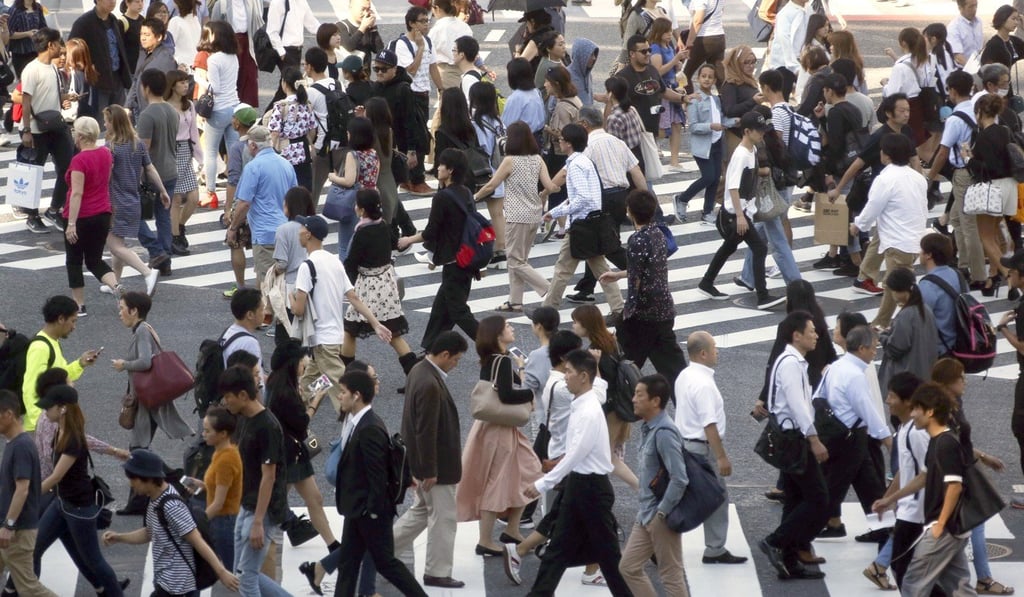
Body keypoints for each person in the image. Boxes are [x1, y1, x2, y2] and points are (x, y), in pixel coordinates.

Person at [523, 349, 632, 595]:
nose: (565, 376)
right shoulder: (585, 401)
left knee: (608, 556)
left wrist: (543, 484)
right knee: (557, 549)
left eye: (569, 372)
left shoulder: (588, 411)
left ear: (583, 377)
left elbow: (575, 454)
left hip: (592, 489)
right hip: (581, 485)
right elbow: (600, 386)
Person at [327, 371, 429, 597]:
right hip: (358, 508)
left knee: (386, 563)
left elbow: (378, 476)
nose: (339, 396)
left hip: (369, 511)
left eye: (343, 392)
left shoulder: (369, 428)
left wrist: (371, 512)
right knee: (348, 563)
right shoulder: (360, 422)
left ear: (356, 395)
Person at [387, 331, 469, 589]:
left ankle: (380, 552)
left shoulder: (418, 370)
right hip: (437, 467)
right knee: (443, 518)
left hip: (422, 462)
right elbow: (426, 431)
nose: (456, 364)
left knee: (421, 512)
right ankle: (437, 571)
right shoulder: (430, 384)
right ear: (444, 354)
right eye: (456, 359)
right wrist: (429, 470)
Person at [456, 317, 543, 555]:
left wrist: (521, 367)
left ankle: (512, 529)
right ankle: (485, 540)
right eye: (507, 326)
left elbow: (512, 384)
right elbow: (507, 395)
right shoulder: (501, 361)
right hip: (499, 430)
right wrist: (531, 394)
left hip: (496, 427)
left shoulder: (495, 359)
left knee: (528, 472)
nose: (512, 328)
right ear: (497, 335)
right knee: (498, 481)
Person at [101, 449, 240, 595]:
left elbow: (197, 540)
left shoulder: (171, 506)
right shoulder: (154, 498)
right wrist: (119, 537)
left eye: (133, 479)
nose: (131, 484)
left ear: (148, 479)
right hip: (166, 582)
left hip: (177, 586)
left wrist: (221, 572)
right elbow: (150, 532)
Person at [291, 214, 392, 409]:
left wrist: (289, 298)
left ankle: (355, 420)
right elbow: (353, 297)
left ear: (309, 234)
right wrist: (375, 324)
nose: (298, 232)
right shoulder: (335, 261)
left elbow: (299, 310)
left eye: (301, 228)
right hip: (335, 338)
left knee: (343, 391)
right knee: (310, 385)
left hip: (322, 340)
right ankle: (291, 414)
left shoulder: (306, 266)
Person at [930, 359, 1013, 595]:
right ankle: (983, 578)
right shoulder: (942, 409)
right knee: (971, 522)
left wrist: (982, 457)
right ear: (947, 382)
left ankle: (883, 564)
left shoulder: (953, 403)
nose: (965, 382)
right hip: (953, 473)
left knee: (966, 523)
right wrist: (982, 458)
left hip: (957, 470)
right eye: (961, 378)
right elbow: (953, 441)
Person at [32, 386, 123, 597]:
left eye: (49, 408)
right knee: (34, 548)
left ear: (62, 409)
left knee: (94, 561)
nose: (45, 412)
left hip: (79, 509)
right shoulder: (59, 431)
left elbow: (56, 476)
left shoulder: (73, 439)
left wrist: (29, 496)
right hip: (61, 503)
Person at [758, 310, 830, 581]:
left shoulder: (793, 361)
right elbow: (798, 406)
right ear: (796, 335)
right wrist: (814, 439)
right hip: (795, 440)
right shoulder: (790, 363)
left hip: (790, 438)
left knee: (795, 499)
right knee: (818, 499)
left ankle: (789, 561)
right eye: (811, 331)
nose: (816, 335)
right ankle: (775, 541)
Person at [672, 332, 746, 566]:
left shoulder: (684, 375)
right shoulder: (703, 384)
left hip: (684, 444)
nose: (717, 351)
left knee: (682, 495)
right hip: (701, 449)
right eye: (714, 347)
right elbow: (709, 424)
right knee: (715, 496)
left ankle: (657, 542)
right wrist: (721, 457)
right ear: (703, 353)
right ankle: (714, 548)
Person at [698, 112, 785, 310]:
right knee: (759, 248)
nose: (762, 134)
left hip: (740, 212)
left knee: (728, 248)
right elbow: (733, 187)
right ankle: (762, 296)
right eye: (759, 131)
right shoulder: (741, 155)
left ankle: (706, 282)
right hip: (735, 214)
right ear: (747, 131)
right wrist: (740, 216)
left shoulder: (751, 149)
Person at [599, 190, 687, 384]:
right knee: (674, 369)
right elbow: (650, 267)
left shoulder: (637, 239)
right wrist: (618, 275)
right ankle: (686, 397)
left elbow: (637, 279)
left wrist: (627, 312)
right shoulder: (658, 233)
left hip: (643, 313)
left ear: (629, 212)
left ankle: (616, 398)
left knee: (621, 367)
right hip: (664, 308)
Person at [812, 324, 892, 538]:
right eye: (873, 347)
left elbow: (818, 396)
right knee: (836, 485)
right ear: (862, 348)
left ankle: (878, 527)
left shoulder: (836, 366)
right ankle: (805, 527)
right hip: (850, 437)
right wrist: (887, 439)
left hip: (837, 433)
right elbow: (867, 410)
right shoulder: (855, 375)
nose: (875, 352)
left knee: (868, 483)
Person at [216, 365, 290, 596]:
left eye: (228, 396)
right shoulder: (244, 419)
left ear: (243, 395)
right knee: (243, 574)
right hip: (247, 505)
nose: (225, 401)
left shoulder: (267, 426)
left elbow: (269, 476)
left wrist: (259, 522)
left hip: (262, 511)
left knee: (246, 579)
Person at [397, 149, 481, 350]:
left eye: (442, 165)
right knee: (441, 309)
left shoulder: (442, 197)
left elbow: (431, 232)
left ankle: (491, 345)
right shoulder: (466, 192)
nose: (438, 168)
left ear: (450, 170)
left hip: (453, 261)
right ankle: (431, 347)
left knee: (458, 311)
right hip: (467, 257)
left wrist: (408, 239)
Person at [898, 383, 976, 595]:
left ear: (930, 411)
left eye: (916, 409)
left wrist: (939, 525)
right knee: (959, 588)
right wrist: (891, 499)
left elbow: (954, 487)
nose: (912, 414)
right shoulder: (937, 441)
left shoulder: (945, 444)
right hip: (952, 529)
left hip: (944, 529)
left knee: (913, 583)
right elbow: (924, 477)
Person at [541, 124, 625, 316]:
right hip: (592, 223)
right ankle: (618, 308)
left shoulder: (576, 165)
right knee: (600, 268)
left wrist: (557, 212)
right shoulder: (584, 161)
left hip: (581, 225)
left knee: (562, 270)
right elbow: (581, 196)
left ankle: (547, 311)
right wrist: (556, 211)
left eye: (561, 139)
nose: (559, 142)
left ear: (569, 144)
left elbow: (582, 198)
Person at [619, 373, 690, 596]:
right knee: (628, 567)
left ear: (655, 401)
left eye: (639, 395)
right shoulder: (648, 428)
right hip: (646, 513)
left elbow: (680, 478)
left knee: (671, 575)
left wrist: (662, 512)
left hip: (661, 516)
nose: (633, 399)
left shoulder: (665, 433)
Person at [474, 121, 557, 312]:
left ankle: (549, 288)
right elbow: (549, 185)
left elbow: (491, 185)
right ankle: (515, 301)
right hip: (534, 213)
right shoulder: (537, 159)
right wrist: (553, 189)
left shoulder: (510, 160)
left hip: (517, 215)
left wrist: (475, 197)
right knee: (520, 260)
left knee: (514, 260)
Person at [264, 340, 338, 553]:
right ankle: (264, 536)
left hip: (288, 453)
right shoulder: (285, 391)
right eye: (302, 360)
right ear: (293, 362)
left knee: (311, 499)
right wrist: (316, 400)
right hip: (291, 454)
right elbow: (302, 422)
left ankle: (332, 545)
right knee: (279, 500)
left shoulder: (276, 382)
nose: (305, 363)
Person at [850, 133, 928, 329]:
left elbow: (873, 207)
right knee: (898, 286)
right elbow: (923, 207)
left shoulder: (885, 179)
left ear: (886, 155)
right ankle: (885, 323)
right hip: (914, 240)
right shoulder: (918, 178)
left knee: (896, 288)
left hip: (897, 241)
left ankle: (885, 325)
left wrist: (859, 225)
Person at [342, 190, 417, 376]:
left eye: (357, 205)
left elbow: (351, 262)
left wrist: (347, 282)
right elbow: (394, 243)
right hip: (386, 284)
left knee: (350, 330)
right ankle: (415, 376)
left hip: (368, 286)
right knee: (393, 333)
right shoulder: (383, 225)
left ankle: (345, 375)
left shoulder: (362, 232)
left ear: (361, 210)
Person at [864, 373, 926, 590]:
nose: (887, 401)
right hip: (911, 511)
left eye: (892, 396)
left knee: (908, 573)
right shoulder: (905, 429)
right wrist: (887, 499)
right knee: (906, 571)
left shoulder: (918, 433)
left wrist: (892, 499)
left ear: (908, 401)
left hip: (921, 513)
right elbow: (905, 471)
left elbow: (927, 474)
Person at [926, 70, 986, 289]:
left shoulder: (955, 119)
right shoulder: (979, 110)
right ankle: (963, 264)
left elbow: (943, 152)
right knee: (957, 219)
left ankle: (978, 275)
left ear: (952, 91)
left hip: (963, 174)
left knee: (968, 225)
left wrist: (930, 177)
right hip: (980, 171)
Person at [112, 290, 191, 451]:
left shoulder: (142, 330)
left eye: (122, 308)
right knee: (140, 448)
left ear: (134, 311)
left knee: (137, 449)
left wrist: (124, 364)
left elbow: (145, 362)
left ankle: (168, 471)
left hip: (145, 397)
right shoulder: (144, 328)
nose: (119, 313)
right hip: (147, 395)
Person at [100, 104, 164, 296]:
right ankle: (115, 283)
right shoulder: (138, 144)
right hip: (133, 200)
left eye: (106, 121)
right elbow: (150, 169)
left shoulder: (110, 148)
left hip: (115, 201)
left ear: (114, 123)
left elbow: (106, 178)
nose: (104, 124)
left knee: (115, 246)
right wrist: (162, 190)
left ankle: (148, 273)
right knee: (118, 243)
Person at [0, 389, 59, 597]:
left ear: (8, 414)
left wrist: (9, 525)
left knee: (29, 588)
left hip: (18, 531)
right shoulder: (14, 444)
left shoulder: (21, 446)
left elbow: (22, 489)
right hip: (10, 528)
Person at [61, 116, 121, 314]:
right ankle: (116, 286)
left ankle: (79, 304)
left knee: (74, 260)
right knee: (95, 260)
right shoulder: (106, 153)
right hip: (102, 213)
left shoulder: (79, 160)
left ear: (80, 136)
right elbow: (105, 182)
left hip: (81, 216)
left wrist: (71, 223)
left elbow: (77, 193)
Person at [20, 29, 76, 235]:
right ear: (50, 45)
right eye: (58, 43)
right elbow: (26, 101)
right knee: (34, 173)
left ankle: (54, 210)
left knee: (68, 167)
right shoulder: (31, 69)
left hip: (56, 126)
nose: (61, 48)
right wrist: (27, 130)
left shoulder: (52, 68)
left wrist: (64, 99)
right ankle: (32, 216)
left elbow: (51, 93)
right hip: (36, 130)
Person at [227, 125, 295, 289]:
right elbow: (295, 197)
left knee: (267, 285)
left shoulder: (253, 167)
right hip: (287, 230)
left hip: (265, 233)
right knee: (282, 282)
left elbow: (244, 203)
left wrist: (233, 227)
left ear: (253, 145)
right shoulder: (286, 164)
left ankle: (266, 307)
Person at [966, 93, 1017, 295]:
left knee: (986, 237)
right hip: (1010, 185)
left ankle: (1009, 277)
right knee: (997, 233)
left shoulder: (983, 137)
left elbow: (988, 167)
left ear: (979, 112)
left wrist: (969, 159)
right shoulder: (1005, 131)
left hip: (992, 189)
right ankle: (999, 274)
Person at [135, 69, 180, 278]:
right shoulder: (172, 110)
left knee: (132, 214)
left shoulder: (147, 115)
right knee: (163, 216)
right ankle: (165, 259)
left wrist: (136, 176)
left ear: (146, 88)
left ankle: (156, 251)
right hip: (171, 169)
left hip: (153, 172)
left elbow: (143, 150)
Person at [675, 63, 731, 224]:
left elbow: (722, 119)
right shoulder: (695, 100)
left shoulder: (716, 99)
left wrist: (736, 121)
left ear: (714, 81)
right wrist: (710, 126)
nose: (707, 79)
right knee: (708, 177)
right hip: (702, 146)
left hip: (717, 143)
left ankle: (707, 212)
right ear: (698, 78)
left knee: (715, 179)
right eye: (703, 76)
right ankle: (682, 199)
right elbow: (693, 127)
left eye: (710, 77)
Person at [877, 268, 940, 393]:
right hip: (926, 373)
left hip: (907, 378)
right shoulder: (925, 309)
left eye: (893, 291)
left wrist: (882, 336)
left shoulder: (906, 315)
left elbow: (895, 348)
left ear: (900, 291)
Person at [199, 21, 241, 207]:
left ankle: (211, 192)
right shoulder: (233, 57)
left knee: (210, 152)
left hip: (217, 110)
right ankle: (236, 190)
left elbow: (214, 88)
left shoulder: (213, 59)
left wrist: (198, 79)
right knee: (233, 151)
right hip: (234, 107)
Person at [195, 406, 242, 572]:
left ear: (223, 434)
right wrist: (202, 485)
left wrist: (197, 523)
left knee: (234, 573)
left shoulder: (226, 460)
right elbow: (221, 487)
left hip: (224, 522)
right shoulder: (221, 453)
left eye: (208, 431)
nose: (203, 434)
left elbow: (219, 503)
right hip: (223, 520)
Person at [69, 0, 132, 118]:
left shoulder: (113, 20)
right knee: (100, 122)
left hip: (117, 78)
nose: (112, 2)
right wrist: (87, 67)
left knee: (118, 121)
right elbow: (72, 49)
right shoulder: (84, 23)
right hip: (97, 82)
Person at [222, 106, 260, 298]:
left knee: (235, 243)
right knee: (261, 247)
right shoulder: (261, 144)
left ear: (237, 123)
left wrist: (228, 208)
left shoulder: (237, 147)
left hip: (243, 201)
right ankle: (262, 285)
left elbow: (233, 180)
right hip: (261, 202)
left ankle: (241, 285)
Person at [304, 48, 348, 202]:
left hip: (322, 146)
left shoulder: (311, 91)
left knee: (313, 189)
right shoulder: (338, 84)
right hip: (342, 142)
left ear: (310, 67)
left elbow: (308, 121)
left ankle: (309, 215)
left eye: (305, 64)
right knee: (346, 187)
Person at [881, 28, 935, 146]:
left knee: (904, 144)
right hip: (920, 105)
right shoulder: (925, 59)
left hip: (903, 107)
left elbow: (892, 94)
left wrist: (885, 85)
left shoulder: (900, 66)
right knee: (919, 144)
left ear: (903, 43)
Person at [266, 67, 318, 192]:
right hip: (303, 151)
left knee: (285, 188)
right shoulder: (306, 104)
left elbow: (274, 133)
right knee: (303, 188)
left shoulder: (281, 105)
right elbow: (312, 130)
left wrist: (270, 151)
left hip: (285, 152)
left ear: (284, 83)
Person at [264, 0, 320, 108]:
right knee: (291, 84)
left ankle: (276, 114)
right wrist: (281, 52)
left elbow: (312, 23)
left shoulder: (301, 2)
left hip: (297, 50)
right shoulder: (277, 3)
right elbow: (271, 31)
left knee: (289, 86)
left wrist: (326, 31)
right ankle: (270, 115)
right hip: (286, 51)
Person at [207, 0, 260, 107]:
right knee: (232, 79)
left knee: (250, 78)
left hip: (248, 44)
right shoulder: (221, 4)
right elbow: (214, 28)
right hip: (229, 45)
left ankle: (247, 111)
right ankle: (231, 107)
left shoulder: (251, 3)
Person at [125, 18, 175, 116]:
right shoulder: (143, 52)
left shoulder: (166, 58)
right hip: (140, 109)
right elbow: (136, 80)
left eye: (147, 35)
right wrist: (127, 105)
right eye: (141, 34)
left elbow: (166, 90)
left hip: (156, 112)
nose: (143, 38)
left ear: (159, 37)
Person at [765, 0, 808, 100]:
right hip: (785, 64)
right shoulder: (785, 13)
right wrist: (793, 65)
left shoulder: (806, 10)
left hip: (800, 61)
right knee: (782, 98)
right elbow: (784, 39)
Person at [502, 57, 546, 143]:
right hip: (538, 137)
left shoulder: (516, 98)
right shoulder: (535, 91)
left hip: (522, 140)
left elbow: (507, 124)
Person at [7, 0, 47, 77]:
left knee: (38, 78)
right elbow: (9, 33)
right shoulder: (14, 10)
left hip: (37, 50)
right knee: (24, 79)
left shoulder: (38, 7)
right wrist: (27, 34)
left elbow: (44, 27)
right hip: (20, 53)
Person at [948, 0, 983, 66]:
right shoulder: (954, 27)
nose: (974, 9)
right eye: (971, 7)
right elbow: (958, 57)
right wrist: (973, 69)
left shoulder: (978, 22)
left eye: (976, 5)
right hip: (963, 69)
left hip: (978, 66)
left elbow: (979, 48)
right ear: (960, 8)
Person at [567, 38, 598, 107]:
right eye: (591, 55)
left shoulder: (588, 75)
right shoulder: (566, 75)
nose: (594, 58)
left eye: (594, 54)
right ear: (580, 55)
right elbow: (553, 104)